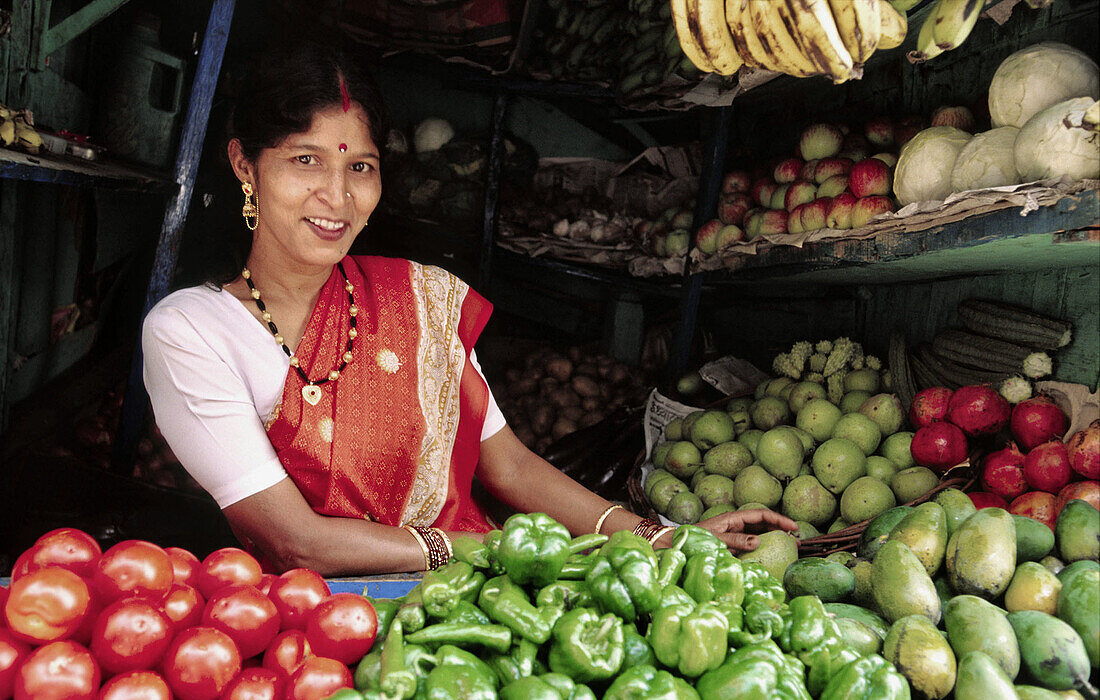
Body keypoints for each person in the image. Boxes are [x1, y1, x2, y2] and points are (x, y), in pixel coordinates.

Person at [142, 43, 797, 576]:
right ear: (245, 167)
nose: (336, 197)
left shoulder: (416, 301)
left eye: (361, 167)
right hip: (309, 642)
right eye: (305, 161)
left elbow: (506, 464)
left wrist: (654, 539)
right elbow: (295, 542)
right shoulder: (193, 332)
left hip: (471, 618)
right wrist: (487, 551)